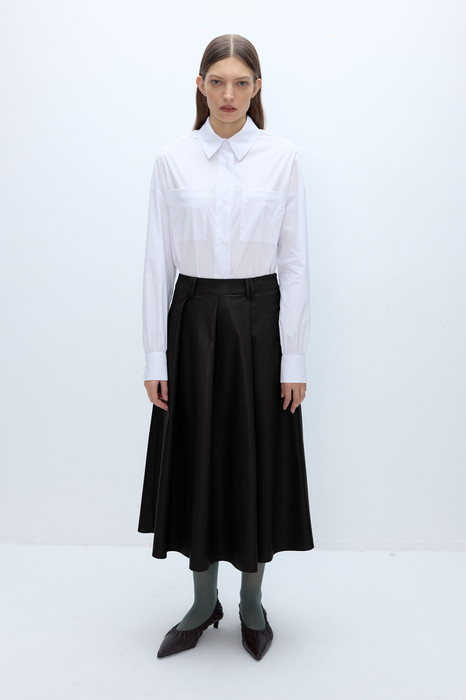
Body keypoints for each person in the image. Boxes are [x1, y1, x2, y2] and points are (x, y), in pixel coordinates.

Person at [137, 33, 314, 661]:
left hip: (259, 320)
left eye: (241, 83)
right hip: (191, 321)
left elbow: (295, 262)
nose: (229, 94)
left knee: (252, 458)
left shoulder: (282, 157)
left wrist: (294, 358)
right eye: (218, 82)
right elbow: (157, 263)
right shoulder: (172, 159)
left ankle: (251, 602)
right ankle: (201, 602)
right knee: (197, 457)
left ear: (256, 87)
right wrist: (155, 357)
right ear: (200, 85)